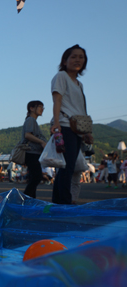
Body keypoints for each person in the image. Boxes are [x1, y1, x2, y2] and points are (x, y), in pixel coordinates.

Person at [50, 44, 93, 204]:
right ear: (65, 60)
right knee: (66, 167)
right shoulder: (61, 76)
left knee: (68, 167)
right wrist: (56, 123)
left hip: (77, 129)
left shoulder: (79, 84)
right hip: (65, 126)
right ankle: (63, 201)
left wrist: (87, 132)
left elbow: (81, 109)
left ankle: (59, 202)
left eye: (81, 57)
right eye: (73, 56)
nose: (77, 60)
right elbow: (57, 99)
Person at [21, 100, 47, 198]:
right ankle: (25, 199)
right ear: (31, 108)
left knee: (34, 177)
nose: (42, 109)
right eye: (40, 106)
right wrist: (42, 142)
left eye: (43, 107)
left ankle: (31, 200)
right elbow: (27, 135)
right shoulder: (30, 120)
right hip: (31, 152)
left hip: (34, 153)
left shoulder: (32, 121)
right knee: (36, 177)